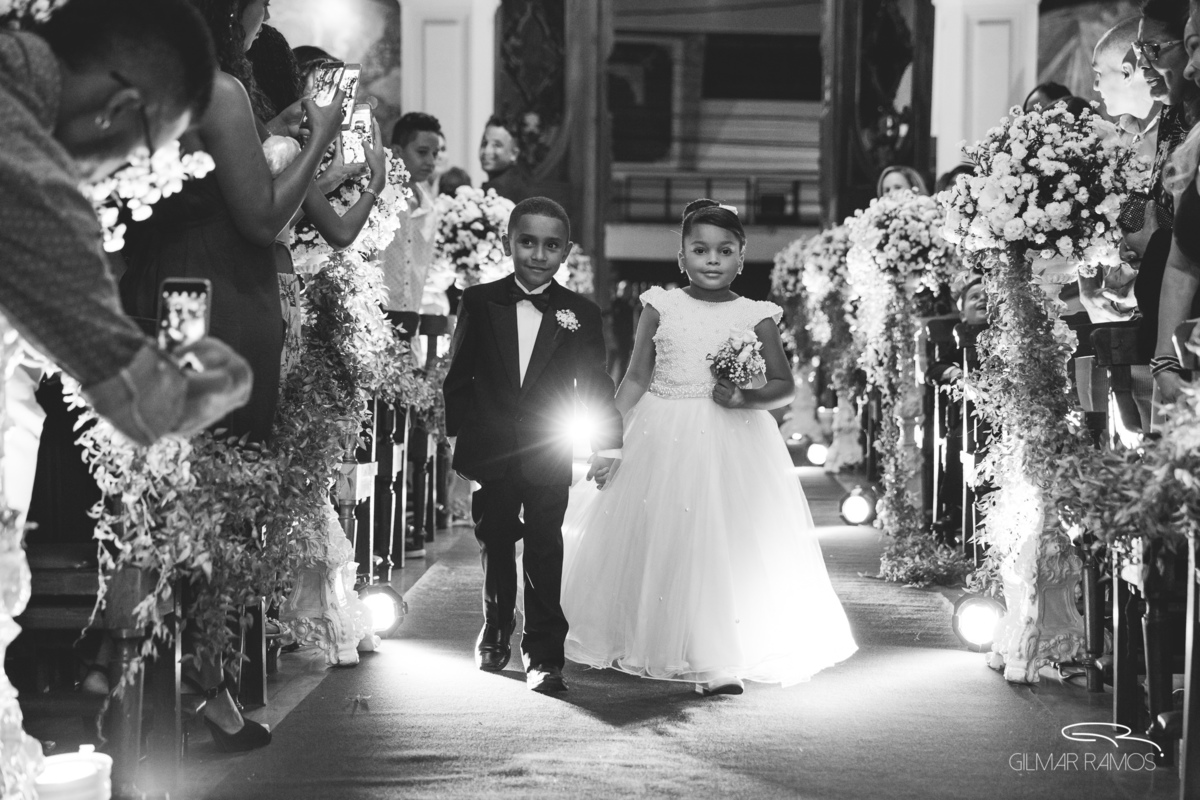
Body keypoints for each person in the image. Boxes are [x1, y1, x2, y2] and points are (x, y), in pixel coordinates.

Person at [117, 0, 346, 753]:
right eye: (260, 8)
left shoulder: (151, 82)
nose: (264, 21)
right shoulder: (221, 89)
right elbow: (263, 216)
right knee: (222, 486)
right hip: (224, 289)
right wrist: (317, 134)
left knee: (179, 472)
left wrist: (270, 136)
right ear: (235, 10)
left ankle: (165, 673)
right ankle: (206, 686)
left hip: (170, 290)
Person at [559, 200, 857, 696]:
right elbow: (635, 377)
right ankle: (656, 638)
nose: (712, 260)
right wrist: (606, 439)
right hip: (662, 432)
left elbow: (784, 385)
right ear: (681, 257)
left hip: (732, 438)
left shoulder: (755, 315)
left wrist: (746, 396)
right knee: (663, 537)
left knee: (724, 543)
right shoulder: (661, 305)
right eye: (700, 250)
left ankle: (717, 658)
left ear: (741, 258)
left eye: (724, 251)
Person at [0, 0, 253, 451]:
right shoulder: (31, 174)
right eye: (145, 149)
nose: (123, 172)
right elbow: (150, 404)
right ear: (118, 108)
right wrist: (225, 380)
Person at [443, 196, 622, 694]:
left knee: (546, 548)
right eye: (528, 242)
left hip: (548, 449)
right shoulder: (478, 302)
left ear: (565, 252)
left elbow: (594, 382)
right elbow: (459, 379)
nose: (538, 254)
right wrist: (458, 446)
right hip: (492, 449)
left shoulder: (579, 312)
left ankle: (545, 654)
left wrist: (606, 443)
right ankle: (496, 628)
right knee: (495, 541)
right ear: (508, 243)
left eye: (550, 245)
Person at [1153, 2, 1200, 404]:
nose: (1189, 67)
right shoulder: (1190, 142)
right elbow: (1181, 261)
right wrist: (1165, 361)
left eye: (1198, 46)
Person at [1094, 16, 1162, 165]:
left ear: (1127, 73)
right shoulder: (1116, 139)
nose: (1095, 86)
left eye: (1099, 73)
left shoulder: (1184, 130)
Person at [479, 114, 533, 202]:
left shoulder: (500, 192)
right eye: (484, 143)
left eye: (497, 145)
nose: (486, 151)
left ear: (514, 154)